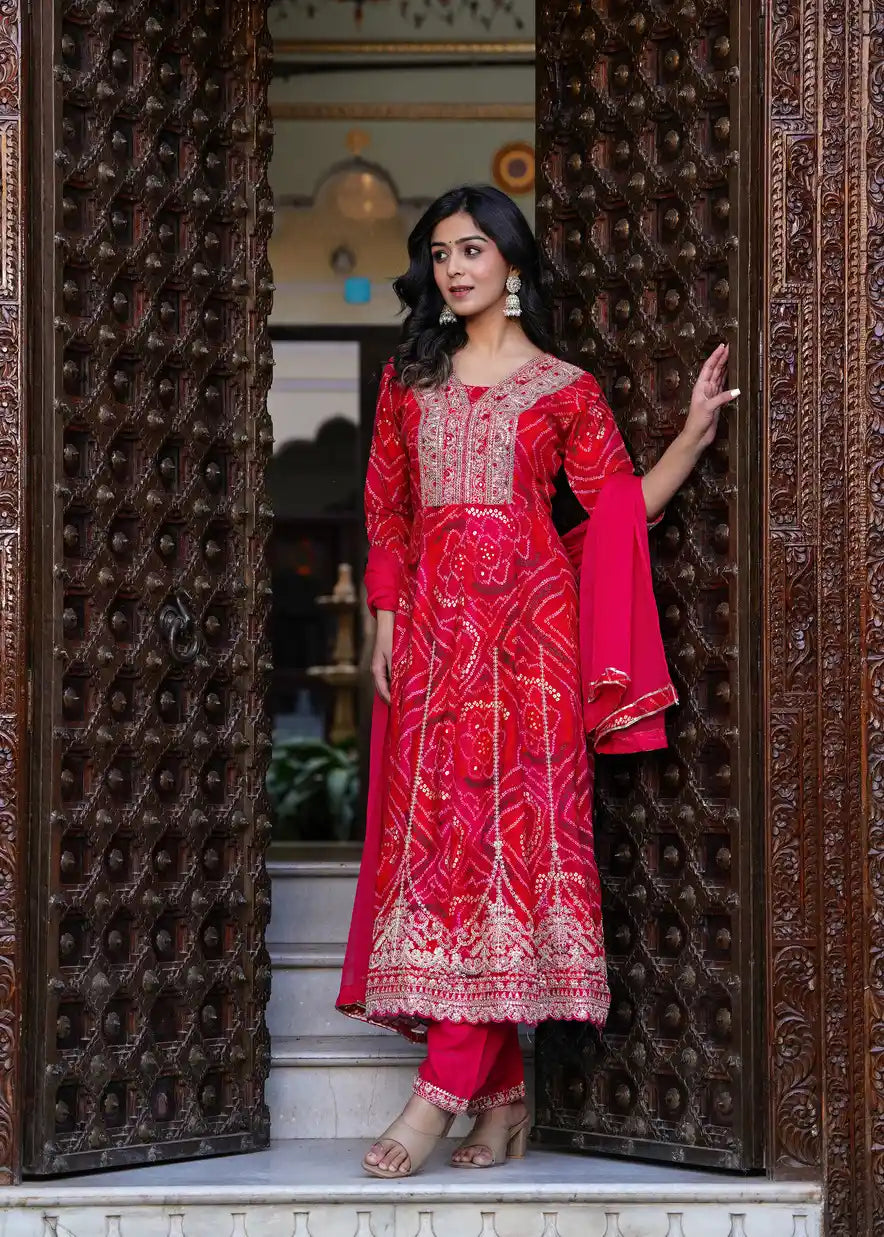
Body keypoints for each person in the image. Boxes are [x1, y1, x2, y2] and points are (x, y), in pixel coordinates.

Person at [335, 184, 737, 1178]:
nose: (454, 269)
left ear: (510, 263)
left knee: (506, 858)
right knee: (444, 856)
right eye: (438, 254)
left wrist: (687, 435)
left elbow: (615, 514)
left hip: (529, 649)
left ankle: (438, 1096)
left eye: (472, 250)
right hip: (430, 646)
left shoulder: (564, 388)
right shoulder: (407, 381)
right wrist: (383, 616)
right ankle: (504, 1103)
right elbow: (384, 511)